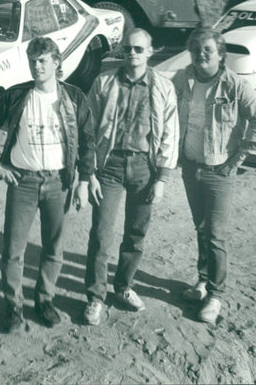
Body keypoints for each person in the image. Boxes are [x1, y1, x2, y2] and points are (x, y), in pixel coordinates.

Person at [74, 28, 179, 325]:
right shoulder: (104, 82)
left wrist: (162, 179)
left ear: (150, 51)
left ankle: (124, 286)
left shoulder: (163, 86)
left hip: (145, 168)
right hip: (109, 167)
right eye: (128, 49)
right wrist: (89, 172)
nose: (132, 54)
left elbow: (170, 133)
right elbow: (89, 130)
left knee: (135, 234)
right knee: (101, 234)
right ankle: (95, 296)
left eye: (138, 49)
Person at [0, 37, 95, 332]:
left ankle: (45, 299)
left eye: (43, 61)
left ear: (57, 62)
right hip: (22, 181)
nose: (37, 66)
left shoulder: (73, 98)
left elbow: (88, 140)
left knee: (54, 246)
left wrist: (84, 180)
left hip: (58, 181)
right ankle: (13, 305)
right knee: (13, 248)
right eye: (33, 61)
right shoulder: (16, 96)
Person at [172, 28, 256, 325]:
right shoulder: (182, 79)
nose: (201, 55)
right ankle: (203, 280)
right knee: (201, 227)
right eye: (196, 50)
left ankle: (216, 295)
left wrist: (239, 157)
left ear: (220, 54)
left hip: (219, 171)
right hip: (191, 166)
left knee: (215, 233)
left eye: (208, 51)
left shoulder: (235, 85)